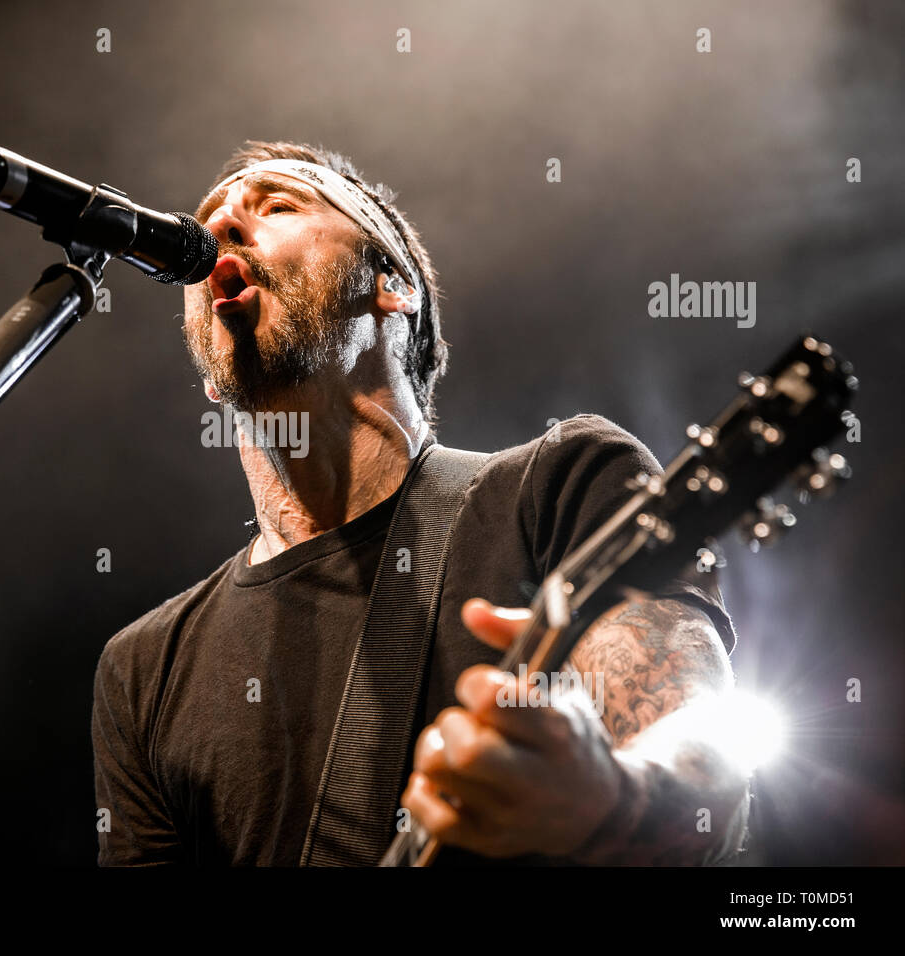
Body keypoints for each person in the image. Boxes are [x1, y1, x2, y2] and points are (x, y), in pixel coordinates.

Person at [91, 140, 749, 866]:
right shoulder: (143, 667)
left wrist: (610, 800)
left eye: (277, 205)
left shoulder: (559, 486)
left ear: (391, 284)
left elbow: (700, 742)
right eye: (208, 222)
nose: (224, 230)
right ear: (210, 375)